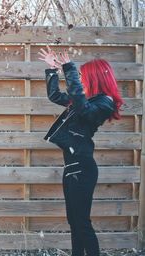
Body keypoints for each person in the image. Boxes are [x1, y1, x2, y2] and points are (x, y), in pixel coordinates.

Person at [38, 46, 123, 256]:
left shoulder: (104, 103)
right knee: (74, 222)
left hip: (83, 170)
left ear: (95, 77)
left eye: (84, 76)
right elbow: (56, 96)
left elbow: (84, 110)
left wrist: (70, 70)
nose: (81, 79)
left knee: (82, 224)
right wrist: (52, 71)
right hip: (72, 167)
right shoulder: (86, 101)